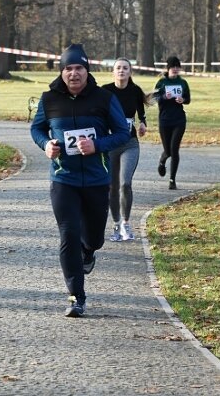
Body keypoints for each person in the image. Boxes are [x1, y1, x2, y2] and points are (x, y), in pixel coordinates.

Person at [30, 44, 130, 317]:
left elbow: (123, 133)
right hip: (64, 179)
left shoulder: (104, 98)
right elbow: (37, 128)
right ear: (62, 72)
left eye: (79, 68)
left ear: (87, 70)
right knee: (68, 235)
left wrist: (97, 145)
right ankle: (77, 297)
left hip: (97, 180)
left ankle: (89, 251)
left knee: (94, 238)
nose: (74, 74)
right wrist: (45, 145)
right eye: (68, 68)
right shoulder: (49, 99)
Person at [102, 58, 150, 242]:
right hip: (110, 144)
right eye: (118, 68)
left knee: (125, 183)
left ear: (130, 72)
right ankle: (115, 224)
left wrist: (143, 124)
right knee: (112, 186)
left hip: (130, 143)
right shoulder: (105, 91)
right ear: (113, 72)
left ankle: (126, 224)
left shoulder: (135, 91)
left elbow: (141, 113)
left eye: (125, 68)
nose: (121, 71)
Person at [154, 55, 191, 190]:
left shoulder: (183, 83)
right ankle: (162, 160)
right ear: (168, 68)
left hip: (179, 120)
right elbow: (155, 98)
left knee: (174, 149)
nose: (175, 69)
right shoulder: (162, 82)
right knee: (168, 151)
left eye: (177, 67)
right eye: (173, 67)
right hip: (164, 120)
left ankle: (172, 180)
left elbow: (188, 99)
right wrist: (164, 96)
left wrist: (183, 100)